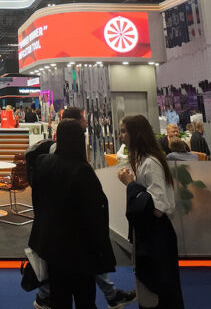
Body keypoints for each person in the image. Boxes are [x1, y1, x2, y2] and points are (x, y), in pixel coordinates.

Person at [31, 108, 135, 309]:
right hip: (79, 249)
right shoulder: (82, 170)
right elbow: (94, 212)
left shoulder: (43, 162)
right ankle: (111, 295)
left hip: (51, 245)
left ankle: (45, 297)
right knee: (84, 298)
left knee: (59, 298)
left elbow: (38, 200)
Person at [117, 115, 184, 309]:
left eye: (124, 131)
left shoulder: (151, 163)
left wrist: (131, 186)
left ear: (136, 134)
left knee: (160, 291)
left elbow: (159, 207)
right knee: (151, 290)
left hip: (156, 238)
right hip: (150, 236)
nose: (121, 136)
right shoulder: (144, 161)